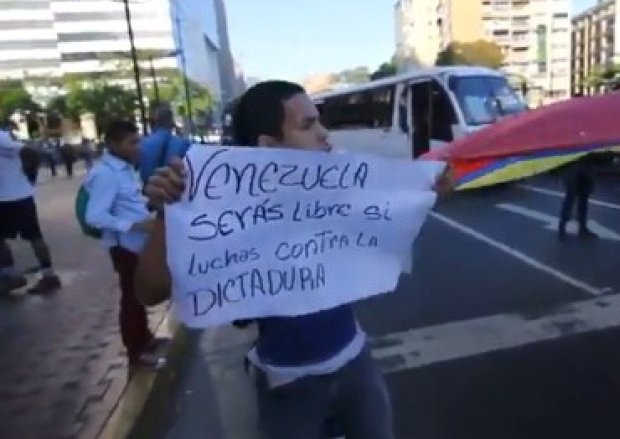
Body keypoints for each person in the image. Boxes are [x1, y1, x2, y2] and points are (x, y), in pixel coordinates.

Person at [135, 81, 455, 438]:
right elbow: (149, 292)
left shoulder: (336, 189)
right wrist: (168, 213)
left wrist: (428, 189)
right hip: (287, 384)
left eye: (319, 122)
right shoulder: (223, 212)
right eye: (307, 126)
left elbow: (390, 216)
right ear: (268, 145)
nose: (325, 136)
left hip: (355, 363)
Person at [84, 120, 164, 367]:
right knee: (131, 298)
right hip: (124, 246)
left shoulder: (125, 169)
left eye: (137, 140)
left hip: (138, 244)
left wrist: (148, 205)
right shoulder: (105, 174)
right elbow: (95, 216)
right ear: (113, 144)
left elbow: (129, 203)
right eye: (132, 142)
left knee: (138, 295)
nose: (138, 147)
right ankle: (135, 351)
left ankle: (145, 338)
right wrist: (135, 226)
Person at [0, 123, 61, 295]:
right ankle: (9, 275)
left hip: (12, 197)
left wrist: (30, 173)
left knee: (34, 236)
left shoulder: (1, 138)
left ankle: (49, 277)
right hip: (13, 196)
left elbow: (30, 151)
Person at [138, 105, 190, 186]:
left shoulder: (141, 144)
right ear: (171, 120)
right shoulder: (184, 144)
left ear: (155, 121)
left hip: (147, 192)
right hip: (176, 191)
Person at [558, 154, 597, 240]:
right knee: (574, 199)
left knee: (576, 200)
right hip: (579, 166)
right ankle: (566, 228)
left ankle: (565, 228)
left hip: (577, 166)